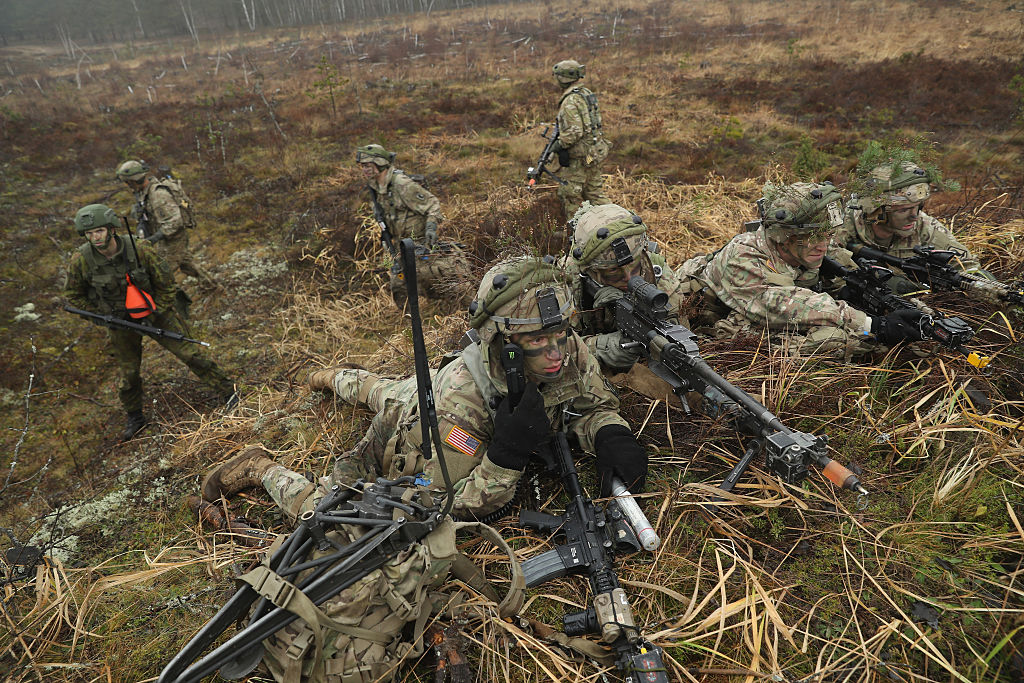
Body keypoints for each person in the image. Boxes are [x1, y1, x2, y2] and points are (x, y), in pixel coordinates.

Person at [201, 257, 648, 521]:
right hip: (420, 415)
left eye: (559, 335)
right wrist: (506, 455)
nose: (555, 354)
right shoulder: (462, 404)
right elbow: (445, 504)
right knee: (336, 517)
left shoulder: (563, 344)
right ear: (503, 342)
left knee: (379, 387)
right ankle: (262, 468)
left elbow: (592, 402)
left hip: (420, 389)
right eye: (536, 342)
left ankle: (335, 376)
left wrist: (611, 432)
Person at [63, 204, 237, 441]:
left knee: (191, 354)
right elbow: (73, 296)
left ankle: (229, 393)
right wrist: (101, 316)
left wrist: (154, 312)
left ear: (112, 230)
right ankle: (135, 416)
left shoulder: (140, 249)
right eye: (90, 234)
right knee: (129, 373)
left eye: (100, 231)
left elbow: (167, 285)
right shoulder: (81, 260)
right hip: (120, 322)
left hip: (156, 313)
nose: (95, 238)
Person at [696, 182, 926, 359]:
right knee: (834, 340)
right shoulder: (742, 256)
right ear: (784, 236)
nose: (823, 245)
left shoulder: (813, 246)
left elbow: (851, 275)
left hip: (766, 313)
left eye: (827, 236)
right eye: (813, 237)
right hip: (714, 318)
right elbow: (780, 304)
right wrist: (872, 325)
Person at [562, 202, 694, 373]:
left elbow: (679, 333)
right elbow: (550, 351)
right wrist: (600, 347)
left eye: (634, 264)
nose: (628, 277)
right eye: (613, 271)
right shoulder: (568, 283)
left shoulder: (660, 279)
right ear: (589, 271)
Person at [836, 158, 989, 295]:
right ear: (876, 212)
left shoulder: (923, 225)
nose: (914, 216)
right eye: (903, 210)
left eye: (918, 207)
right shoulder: (842, 226)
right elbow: (824, 275)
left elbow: (966, 265)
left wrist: (989, 289)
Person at [356, 144, 471, 305]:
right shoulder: (376, 187)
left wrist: (431, 228)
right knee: (399, 287)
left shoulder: (402, 185)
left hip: (420, 243)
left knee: (449, 283)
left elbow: (432, 204)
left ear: (380, 163)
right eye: (362, 166)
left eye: (368, 166)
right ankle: (410, 324)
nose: (364, 170)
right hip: (401, 247)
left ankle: (469, 313)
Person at [115, 160, 218, 291]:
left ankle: (170, 302)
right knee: (186, 263)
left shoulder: (158, 195)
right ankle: (211, 285)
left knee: (161, 273)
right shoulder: (143, 192)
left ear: (134, 181)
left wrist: (154, 238)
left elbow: (175, 221)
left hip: (174, 238)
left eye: (128, 182)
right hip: (166, 236)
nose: (127, 185)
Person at [549, 60, 611, 217]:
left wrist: (558, 145)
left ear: (562, 78)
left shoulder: (570, 101)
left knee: (570, 194)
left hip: (581, 157)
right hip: (594, 154)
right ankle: (615, 223)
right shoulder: (586, 93)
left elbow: (574, 131)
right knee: (594, 191)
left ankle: (576, 232)